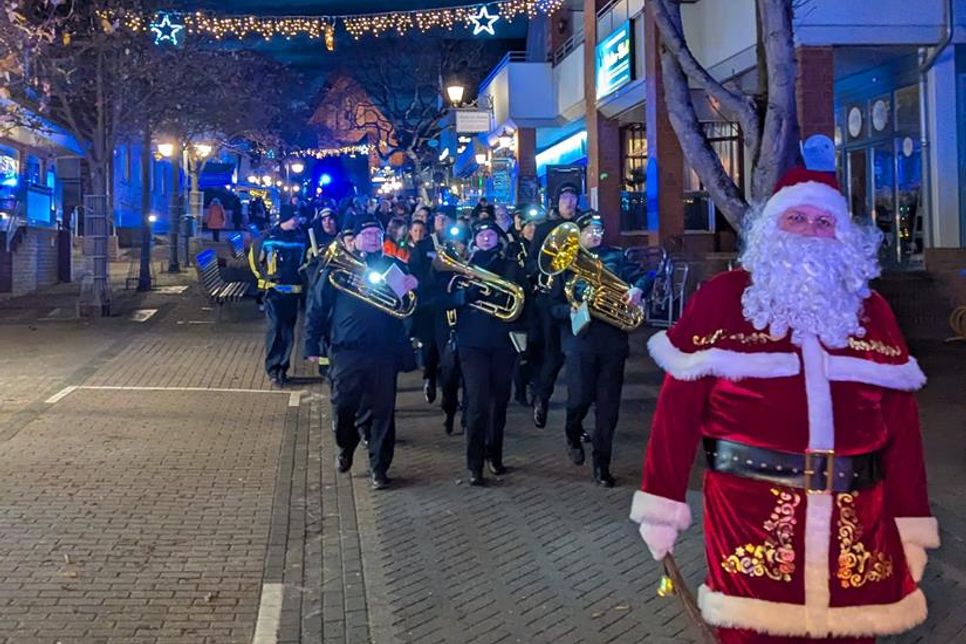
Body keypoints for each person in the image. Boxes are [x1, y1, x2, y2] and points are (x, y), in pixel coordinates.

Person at [630, 143, 936, 643]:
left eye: (824, 222)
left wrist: (912, 521)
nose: (811, 232)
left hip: (858, 523)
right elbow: (675, 416)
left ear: (843, 236)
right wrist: (661, 504)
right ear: (772, 229)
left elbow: (903, 433)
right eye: (797, 218)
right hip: (750, 518)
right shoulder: (723, 301)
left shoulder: (872, 312)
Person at [304, 216, 419, 490]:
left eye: (376, 234)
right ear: (354, 239)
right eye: (366, 234)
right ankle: (346, 445)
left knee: (383, 412)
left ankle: (380, 468)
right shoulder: (338, 269)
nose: (371, 238)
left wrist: (413, 286)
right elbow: (317, 307)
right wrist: (310, 344)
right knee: (343, 405)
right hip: (347, 350)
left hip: (383, 351)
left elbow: (409, 306)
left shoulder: (392, 267)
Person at [551, 212, 652, 487]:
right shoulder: (565, 263)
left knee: (608, 407)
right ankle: (572, 430)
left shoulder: (616, 257)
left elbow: (647, 276)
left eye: (599, 230)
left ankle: (601, 464)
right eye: (590, 230)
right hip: (580, 342)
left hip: (612, 342)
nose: (596, 234)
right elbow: (551, 307)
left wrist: (639, 289)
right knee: (579, 399)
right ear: (578, 235)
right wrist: (570, 310)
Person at [443, 220, 522, 486]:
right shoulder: (463, 267)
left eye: (490, 234)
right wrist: (467, 296)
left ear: (498, 239)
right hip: (471, 343)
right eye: (481, 235)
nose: (486, 238)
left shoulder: (509, 266)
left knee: (499, 403)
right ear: (474, 240)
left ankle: (495, 455)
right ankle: (474, 464)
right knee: (477, 404)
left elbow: (521, 300)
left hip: (502, 342)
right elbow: (446, 301)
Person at [526, 186, 581, 428]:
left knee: (579, 358)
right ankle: (542, 397)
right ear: (556, 202)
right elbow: (531, 263)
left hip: (578, 301)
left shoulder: (583, 226)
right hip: (551, 302)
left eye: (573, 197)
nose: (569, 202)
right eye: (564, 198)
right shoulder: (544, 229)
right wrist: (544, 272)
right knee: (552, 355)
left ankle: (577, 420)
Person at [249, 209, 309, 386]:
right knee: (275, 330)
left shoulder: (301, 237)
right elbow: (254, 259)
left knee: (288, 333)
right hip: (274, 292)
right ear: (285, 219)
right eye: (293, 217)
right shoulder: (268, 237)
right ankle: (273, 369)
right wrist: (263, 279)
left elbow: (307, 260)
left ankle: (283, 368)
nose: (297, 220)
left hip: (293, 293)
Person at [507, 206, 543, 407]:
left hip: (540, 307)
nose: (532, 229)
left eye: (535, 226)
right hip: (522, 308)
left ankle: (536, 388)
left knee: (539, 350)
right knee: (522, 352)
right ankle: (520, 388)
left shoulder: (544, 247)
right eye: (529, 225)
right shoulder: (514, 248)